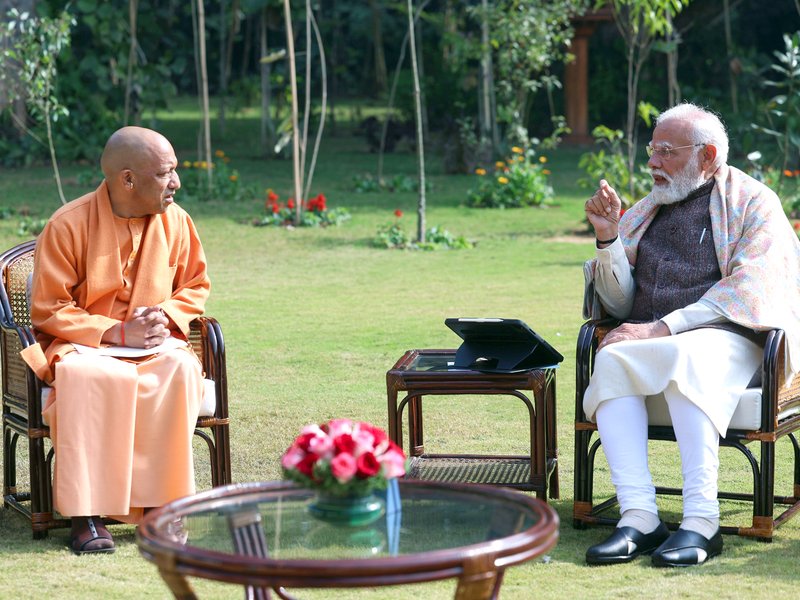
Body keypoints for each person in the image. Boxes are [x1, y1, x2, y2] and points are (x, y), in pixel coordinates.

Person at [581, 103, 800, 567]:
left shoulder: (754, 202)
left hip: (731, 335)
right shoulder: (646, 211)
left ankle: (703, 523)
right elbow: (618, 307)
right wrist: (608, 239)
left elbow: (749, 291)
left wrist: (662, 326)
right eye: (651, 151)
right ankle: (639, 517)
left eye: (666, 152)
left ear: (708, 155)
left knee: (687, 357)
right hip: (655, 337)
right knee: (612, 357)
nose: (653, 163)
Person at [21, 126, 210, 555]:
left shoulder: (177, 221)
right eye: (166, 173)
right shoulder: (67, 224)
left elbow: (196, 284)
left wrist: (165, 316)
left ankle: (164, 507)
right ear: (127, 180)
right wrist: (113, 332)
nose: (176, 182)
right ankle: (85, 515)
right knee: (85, 377)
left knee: (180, 368)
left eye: (175, 170)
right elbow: (48, 309)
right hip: (84, 346)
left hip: (154, 347)